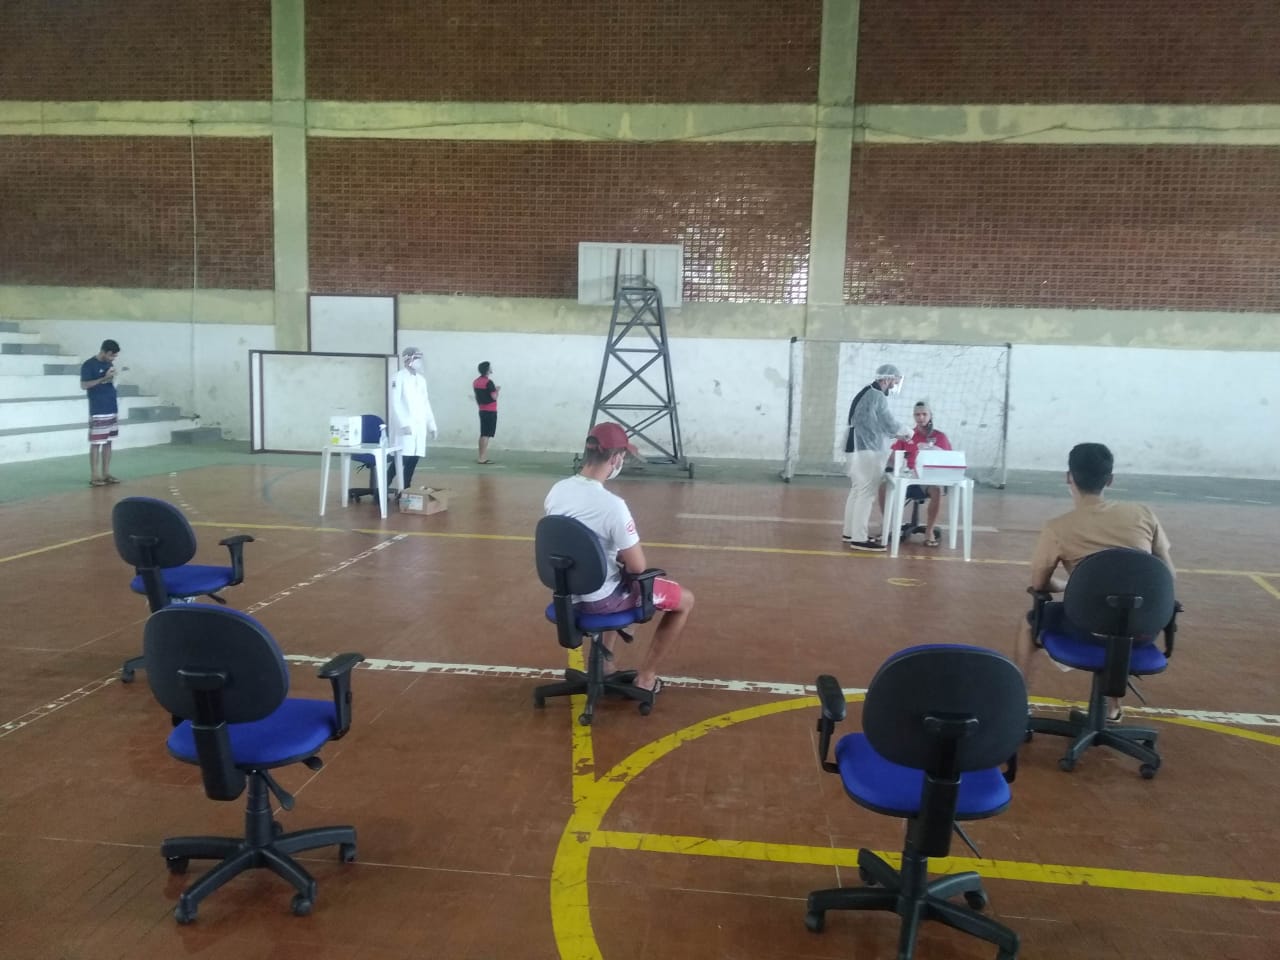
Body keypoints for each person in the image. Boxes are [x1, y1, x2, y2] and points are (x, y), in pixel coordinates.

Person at [1018, 442, 1175, 720]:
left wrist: (1069, 585)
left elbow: (1039, 585)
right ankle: (1112, 707)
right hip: (1144, 630)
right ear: (1110, 479)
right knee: (1123, 611)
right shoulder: (1144, 515)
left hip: (1087, 628)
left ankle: (1018, 701)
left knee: (1029, 623)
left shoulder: (1058, 528)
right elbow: (1167, 575)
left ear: (1069, 477)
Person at [543, 422, 695, 699]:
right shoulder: (613, 506)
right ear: (614, 459)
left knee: (616, 576)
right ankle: (646, 678)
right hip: (601, 600)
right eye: (622, 456)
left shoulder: (557, 490)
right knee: (683, 600)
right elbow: (638, 567)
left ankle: (604, 663)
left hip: (567, 594)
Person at [842, 363, 908, 550]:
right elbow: (888, 422)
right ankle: (859, 538)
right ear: (887, 378)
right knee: (866, 492)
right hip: (866, 448)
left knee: (857, 489)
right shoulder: (876, 396)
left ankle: (849, 532)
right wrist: (907, 432)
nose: (895, 384)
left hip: (854, 446)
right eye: (895, 380)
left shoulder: (867, 392)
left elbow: (875, 423)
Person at [877, 399, 952, 547]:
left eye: (924, 414)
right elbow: (892, 457)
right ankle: (889, 526)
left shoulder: (940, 437)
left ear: (930, 415)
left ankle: (929, 531)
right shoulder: (907, 435)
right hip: (906, 478)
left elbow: (948, 460)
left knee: (936, 490)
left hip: (927, 480)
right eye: (917, 415)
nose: (921, 417)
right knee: (883, 487)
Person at [388, 345, 436, 491]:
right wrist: (403, 424)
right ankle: (381, 489)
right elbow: (395, 403)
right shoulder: (398, 377)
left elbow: (426, 403)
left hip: (419, 426)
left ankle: (406, 490)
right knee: (401, 459)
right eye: (417, 358)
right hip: (405, 427)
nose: (419, 361)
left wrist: (431, 425)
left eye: (420, 358)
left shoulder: (421, 380)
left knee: (414, 458)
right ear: (408, 359)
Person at [80, 339, 121, 487]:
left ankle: (106, 473)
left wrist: (112, 378)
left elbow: (109, 382)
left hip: (111, 407)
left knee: (109, 442)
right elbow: (84, 385)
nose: (113, 358)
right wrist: (103, 378)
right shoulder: (89, 365)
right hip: (98, 409)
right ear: (104, 352)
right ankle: (94, 475)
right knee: (97, 443)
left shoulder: (109, 364)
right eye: (111, 355)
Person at [472, 361, 500, 464]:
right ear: (487, 370)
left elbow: (478, 396)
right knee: (486, 434)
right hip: (490, 410)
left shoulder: (476, 382)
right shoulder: (489, 382)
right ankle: (482, 458)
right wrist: (497, 390)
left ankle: (481, 456)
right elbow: (494, 397)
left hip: (482, 410)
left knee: (483, 433)